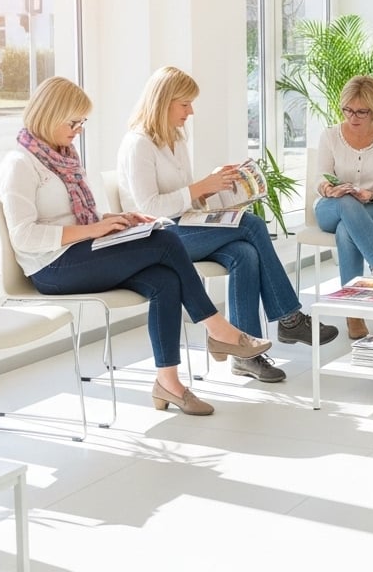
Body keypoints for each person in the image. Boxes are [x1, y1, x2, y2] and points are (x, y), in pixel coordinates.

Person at [0, 77, 273, 417]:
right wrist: (95, 229)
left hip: (81, 252)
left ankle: (168, 383)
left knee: (164, 279)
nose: (79, 129)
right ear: (49, 115)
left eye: (82, 122)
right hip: (51, 268)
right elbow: (24, 235)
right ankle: (219, 329)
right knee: (167, 238)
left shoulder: (63, 156)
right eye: (73, 122)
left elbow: (79, 215)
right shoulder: (19, 164)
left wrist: (119, 218)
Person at [117, 66, 338, 384]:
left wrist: (217, 188)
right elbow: (150, 208)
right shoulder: (138, 144)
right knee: (252, 226)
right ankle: (289, 318)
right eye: (184, 104)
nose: (190, 112)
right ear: (163, 102)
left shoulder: (176, 139)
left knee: (244, 253)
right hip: (157, 237)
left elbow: (184, 200)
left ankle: (244, 354)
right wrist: (199, 187)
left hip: (184, 225)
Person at [313, 75, 373, 340]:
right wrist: (330, 189)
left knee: (346, 230)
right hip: (331, 207)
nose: (353, 117)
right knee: (345, 203)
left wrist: (370, 194)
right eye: (348, 110)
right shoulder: (330, 136)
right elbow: (320, 178)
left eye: (361, 111)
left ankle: (354, 312)